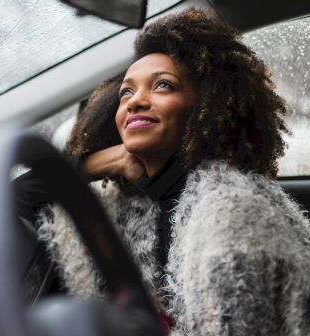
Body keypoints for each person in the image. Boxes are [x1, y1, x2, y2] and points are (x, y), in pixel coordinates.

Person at [16, 8, 310, 335]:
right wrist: (105, 161)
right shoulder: (139, 199)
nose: (135, 101)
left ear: (208, 106)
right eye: (127, 91)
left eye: (163, 85)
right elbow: (9, 201)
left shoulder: (234, 215)